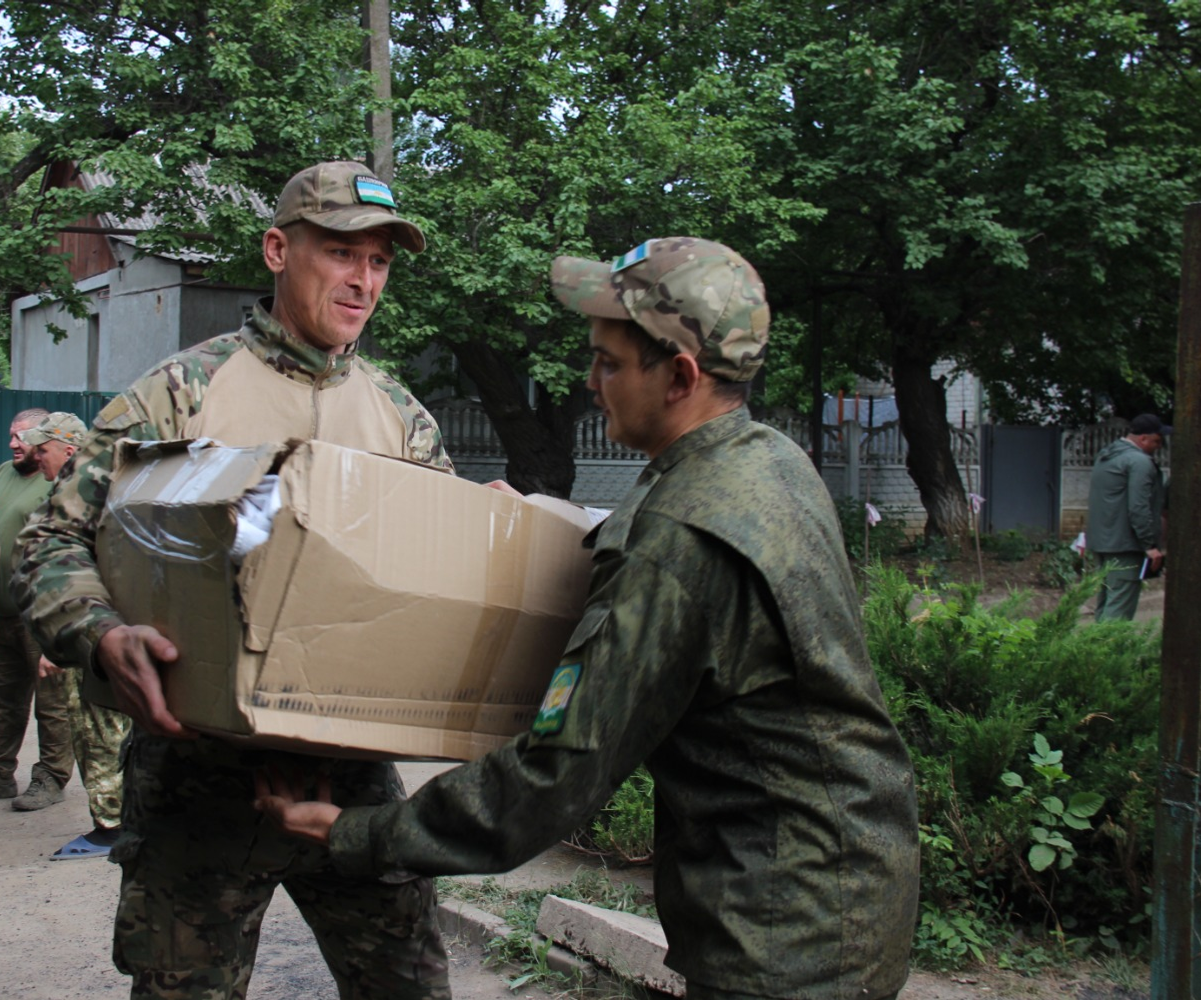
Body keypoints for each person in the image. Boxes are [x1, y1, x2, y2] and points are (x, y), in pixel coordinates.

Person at [256, 238, 921, 1000]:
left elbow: (553, 779)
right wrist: (550, 523)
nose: (589, 380)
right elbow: (692, 572)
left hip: (781, 936)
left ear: (681, 376)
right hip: (851, 883)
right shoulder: (766, 460)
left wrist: (352, 832)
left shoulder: (676, 549)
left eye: (609, 363)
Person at [15, 161, 452, 999]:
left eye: (379, 261)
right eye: (341, 253)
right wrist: (102, 634)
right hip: (196, 769)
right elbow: (53, 540)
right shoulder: (179, 396)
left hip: (349, 774)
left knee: (410, 987)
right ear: (279, 249)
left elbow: (435, 576)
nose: (363, 280)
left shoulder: (402, 416)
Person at [18, 411, 131, 860]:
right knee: (96, 728)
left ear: (70, 451)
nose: (34, 455)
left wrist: (67, 645)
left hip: (95, 637)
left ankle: (112, 825)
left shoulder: (92, 499)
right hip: (89, 633)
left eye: (41, 448)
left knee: (98, 729)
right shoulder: (76, 494)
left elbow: (98, 574)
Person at [0, 409, 74, 812]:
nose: (13, 444)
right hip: (1, 610)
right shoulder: (0, 474)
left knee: (52, 703)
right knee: (2, 699)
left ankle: (51, 775)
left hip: (40, 613)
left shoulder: (59, 483)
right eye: (11, 436)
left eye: (22, 438)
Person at [1086, 413, 1168, 622]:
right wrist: (1149, 544)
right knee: (1119, 609)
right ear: (1143, 439)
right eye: (1157, 441)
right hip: (1125, 546)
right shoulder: (1139, 462)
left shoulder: (1107, 455)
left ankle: (1094, 651)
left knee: (1105, 603)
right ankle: (1108, 653)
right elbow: (1139, 507)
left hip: (1101, 543)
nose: (1158, 447)